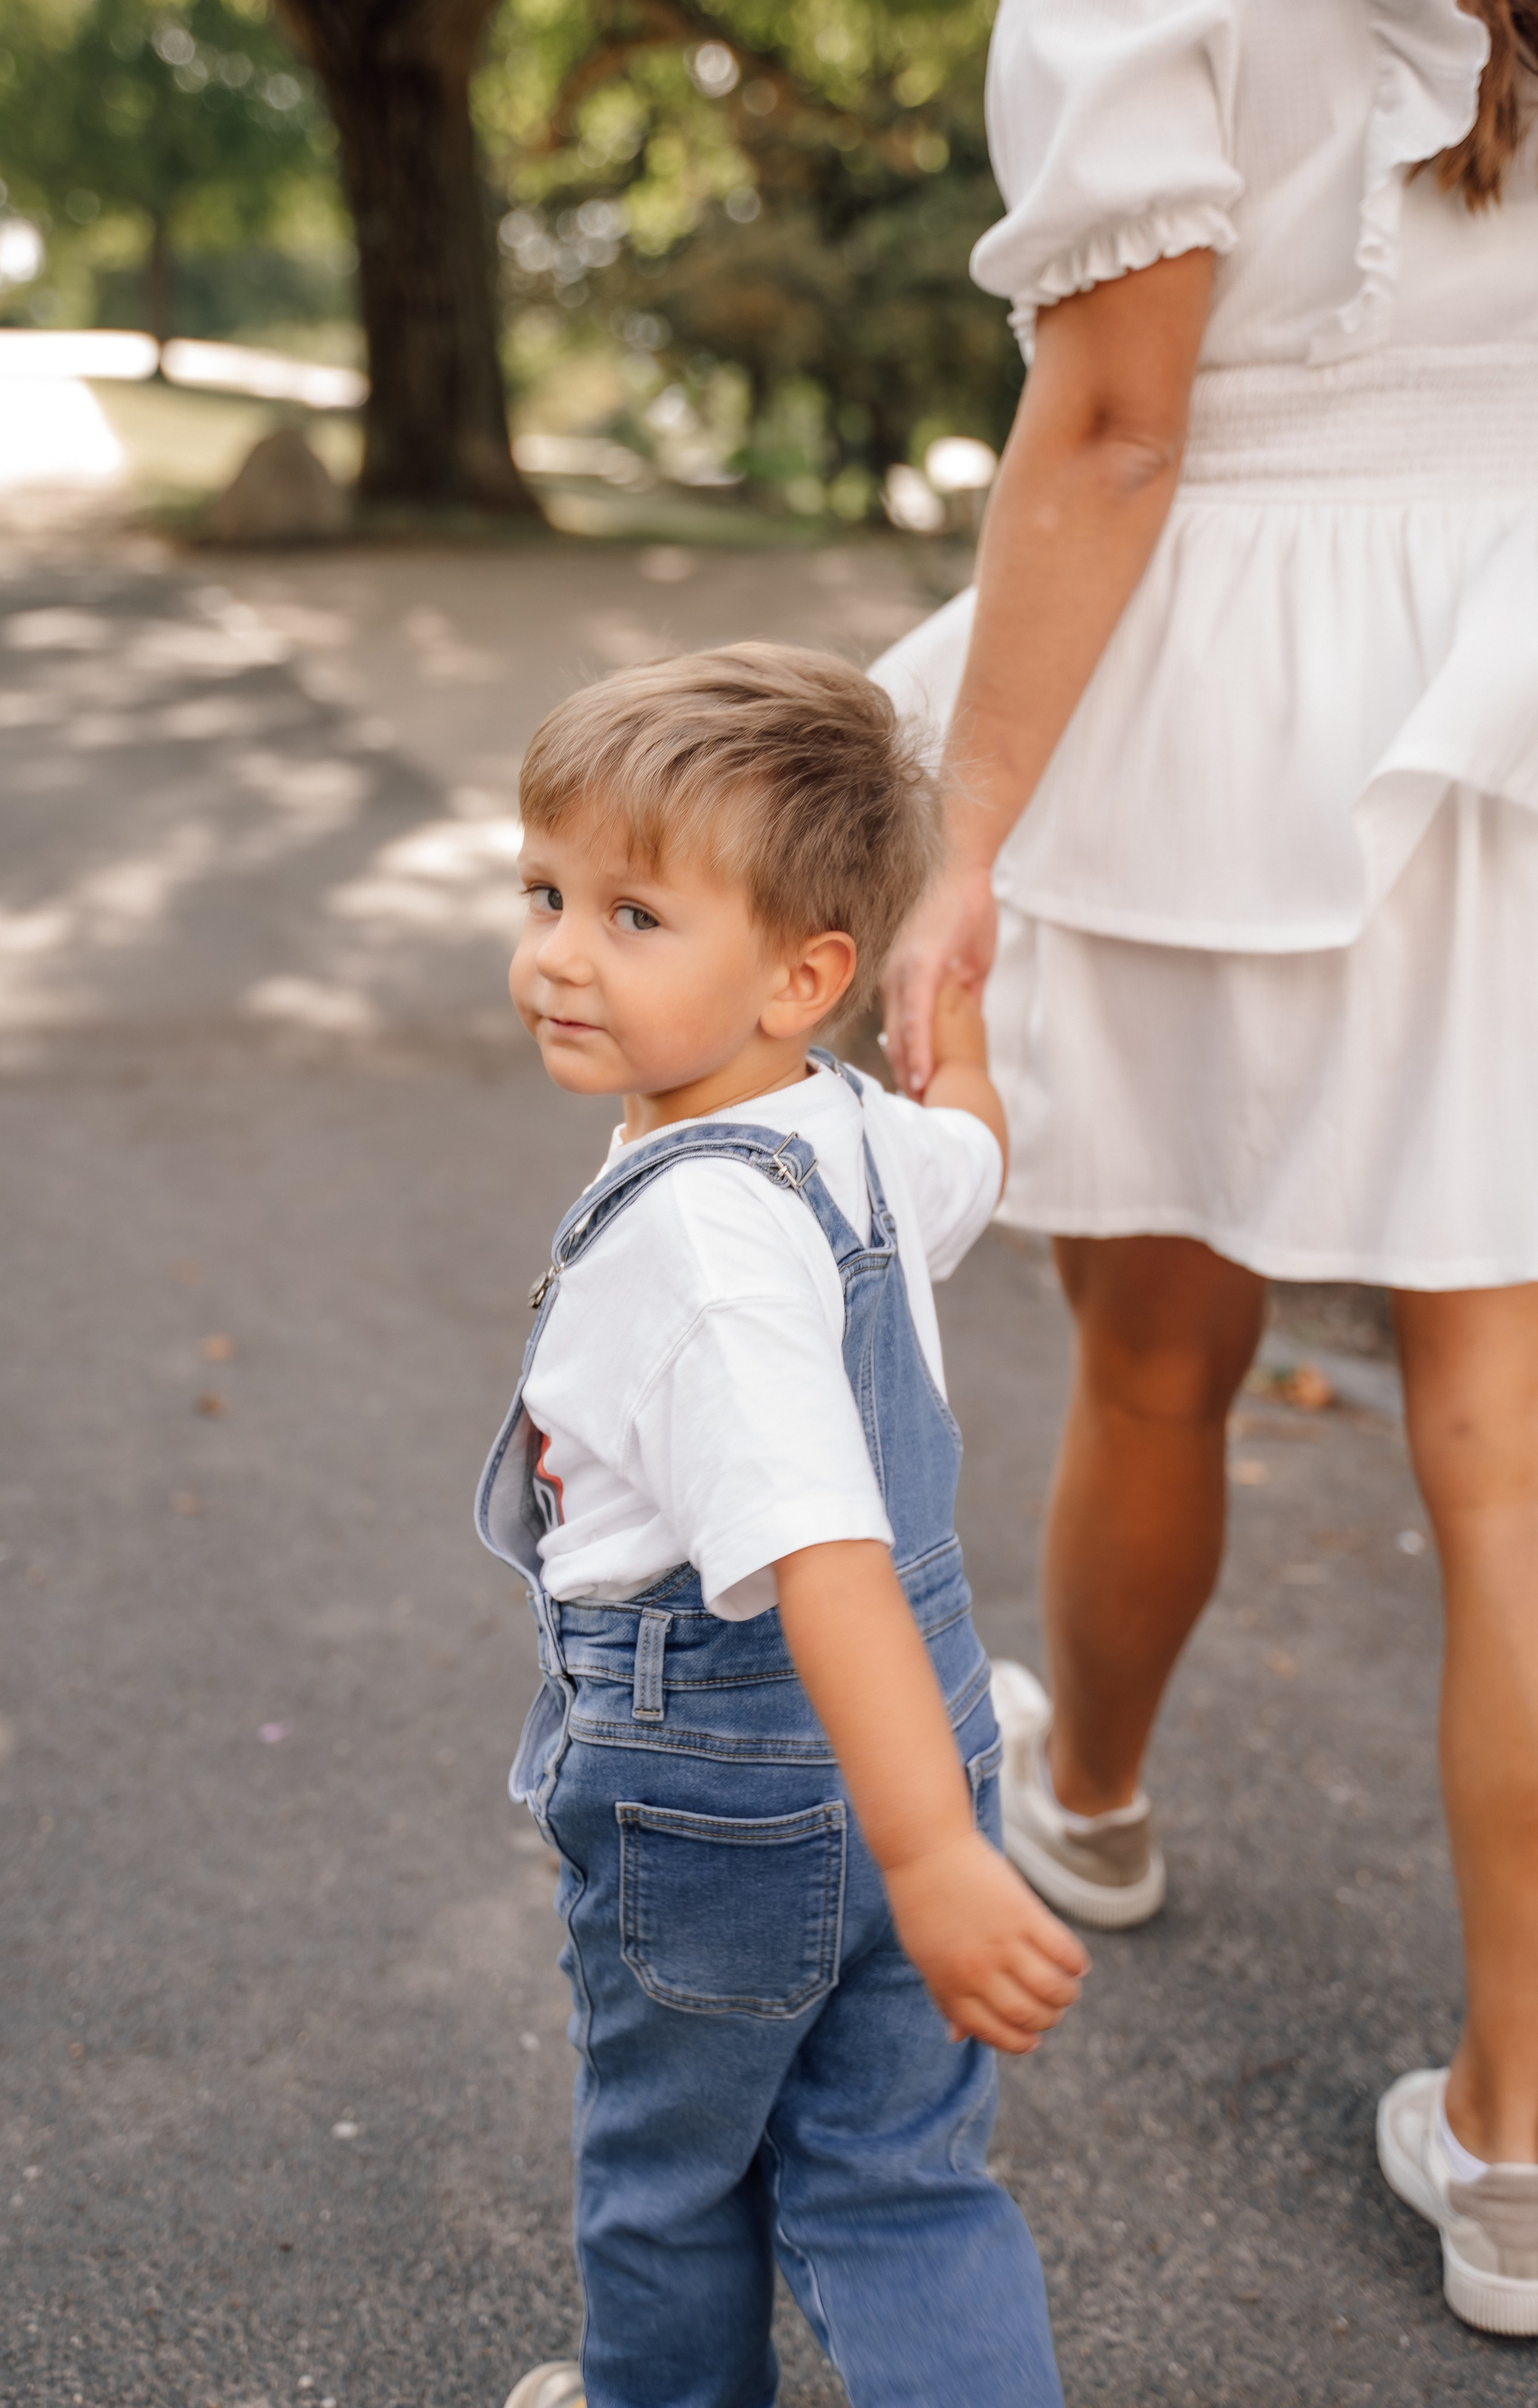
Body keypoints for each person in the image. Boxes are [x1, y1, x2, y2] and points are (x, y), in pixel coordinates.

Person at [876, 0, 1538, 2342]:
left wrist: (961, 846)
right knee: (1509, 1444)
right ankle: (1524, 2147)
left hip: (1234, 687)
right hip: (1515, 663)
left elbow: (1123, 424)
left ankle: (1104, 1809)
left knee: (1156, 1354)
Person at [477, 645, 1089, 2408]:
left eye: (635, 916)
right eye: (546, 890)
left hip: (729, 1797)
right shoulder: (852, 1131)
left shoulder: (697, 1249)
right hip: (933, 1737)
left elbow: (820, 1553)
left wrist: (933, 1859)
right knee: (901, 2176)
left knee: (673, 2181)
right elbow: (970, 1146)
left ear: (798, 975)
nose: (558, 954)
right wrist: (952, 1027)